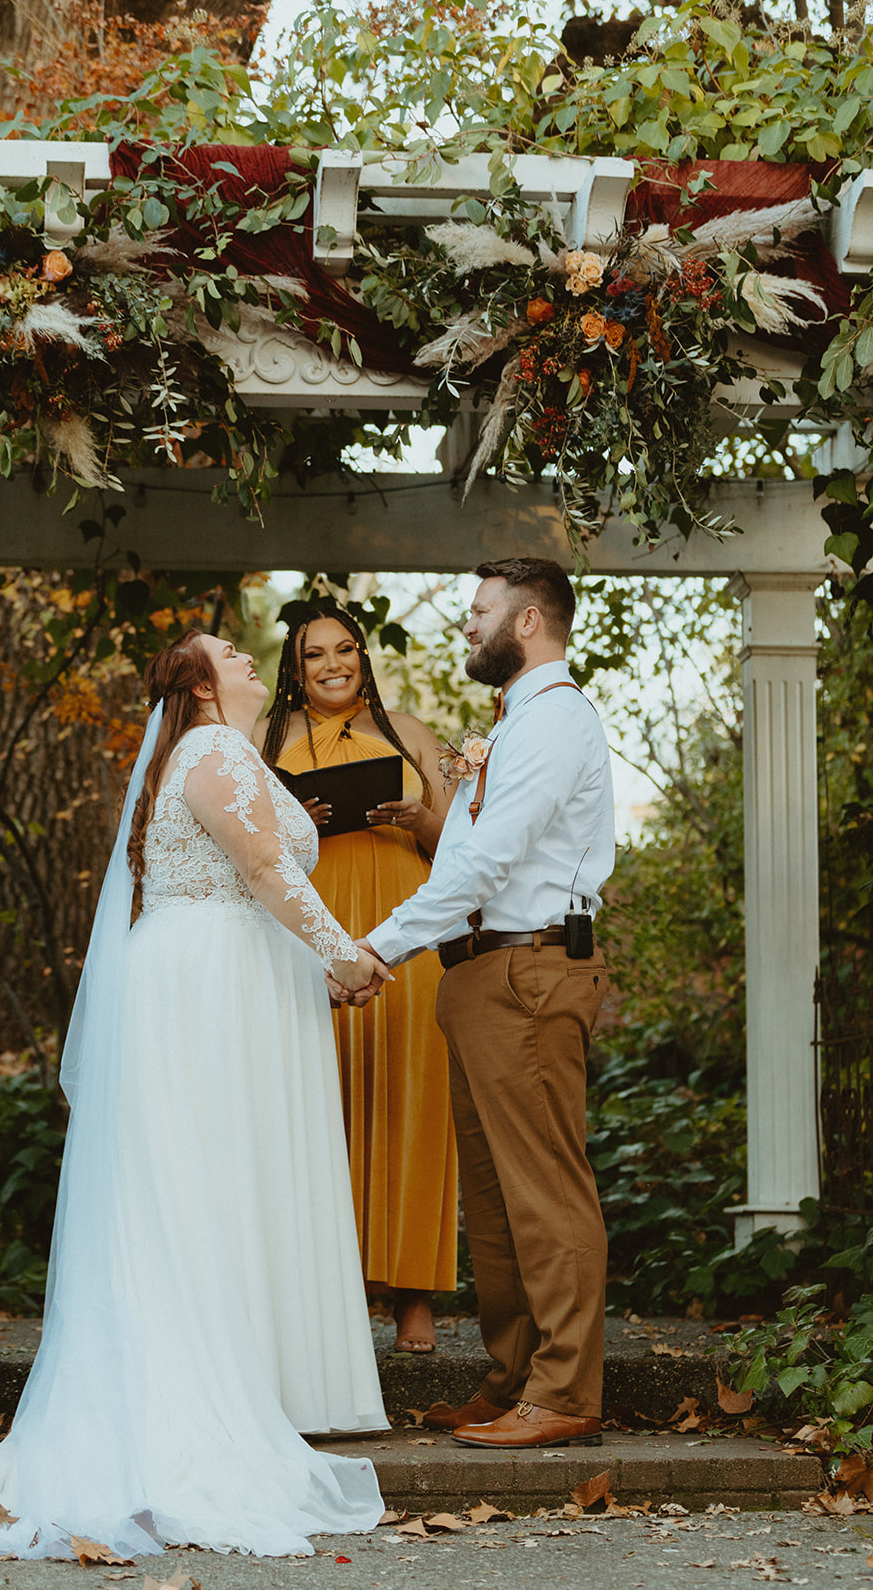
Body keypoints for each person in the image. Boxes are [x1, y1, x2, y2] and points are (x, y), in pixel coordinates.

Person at [0, 630, 389, 1559]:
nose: (249, 654)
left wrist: (319, 960)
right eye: (229, 649)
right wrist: (344, 954)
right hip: (209, 984)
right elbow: (266, 871)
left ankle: (255, 1377)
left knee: (216, 1177)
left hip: (224, 972)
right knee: (209, 1180)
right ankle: (208, 1399)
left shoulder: (220, 752)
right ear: (197, 683)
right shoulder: (215, 747)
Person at [347, 558, 615, 1450]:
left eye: (480, 611)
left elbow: (483, 865)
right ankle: (513, 1380)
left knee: (545, 1190)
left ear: (529, 621)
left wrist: (376, 946)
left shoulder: (556, 720)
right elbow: (458, 853)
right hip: (475, 974)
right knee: (495, 1203)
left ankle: (566, 1391)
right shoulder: (507, 725)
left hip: (528, 971)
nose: (467, 625)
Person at [256, 606, 459, 1355]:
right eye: (316, 655)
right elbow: (244, 847)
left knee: (412, 1102)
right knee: (315, 1102)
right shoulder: (265, 740)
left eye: (346, 649)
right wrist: (293, 824)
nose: (333, 664)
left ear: (363, 657)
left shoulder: (407, 731)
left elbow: (459, 848)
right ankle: (323, 1292)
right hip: (311, 931)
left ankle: (412, 1296)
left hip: (405, 935)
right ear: (295, 666)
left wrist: (415, 818)